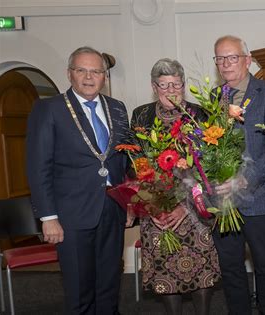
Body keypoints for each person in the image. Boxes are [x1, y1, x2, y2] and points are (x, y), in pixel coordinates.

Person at [26, 46, 129, 314]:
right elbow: (38, 167)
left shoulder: (117, 108)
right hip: (70, 215)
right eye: (81, 70)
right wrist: (48, 217)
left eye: (95, 71)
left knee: (109, 285)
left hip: (112, 210)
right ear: (69, 73)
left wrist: (130, 203)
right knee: (80, 291)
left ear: (104, 76)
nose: (88, 77)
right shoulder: (49, 109)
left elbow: (124, 159)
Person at [130, 58, 221, 315]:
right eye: (163, 85)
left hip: (194, 206)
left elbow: (209, 165)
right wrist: (155, 205)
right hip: (156, 206)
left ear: (183, 85)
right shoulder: (141, 115)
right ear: (153, 86)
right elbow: (136, 163)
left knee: (200, 268)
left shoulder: (200, 114)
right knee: (165, 269)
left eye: (176, 84)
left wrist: (184, 205)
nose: (170, 91)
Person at [211, 35, 265, 315]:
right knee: (230, 266)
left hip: (260, 196)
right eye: (220, 58)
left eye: (231, 57)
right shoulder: (214, 97)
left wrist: (245, 179)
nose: (225, 64)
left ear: (247, 59)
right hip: (224, 201)